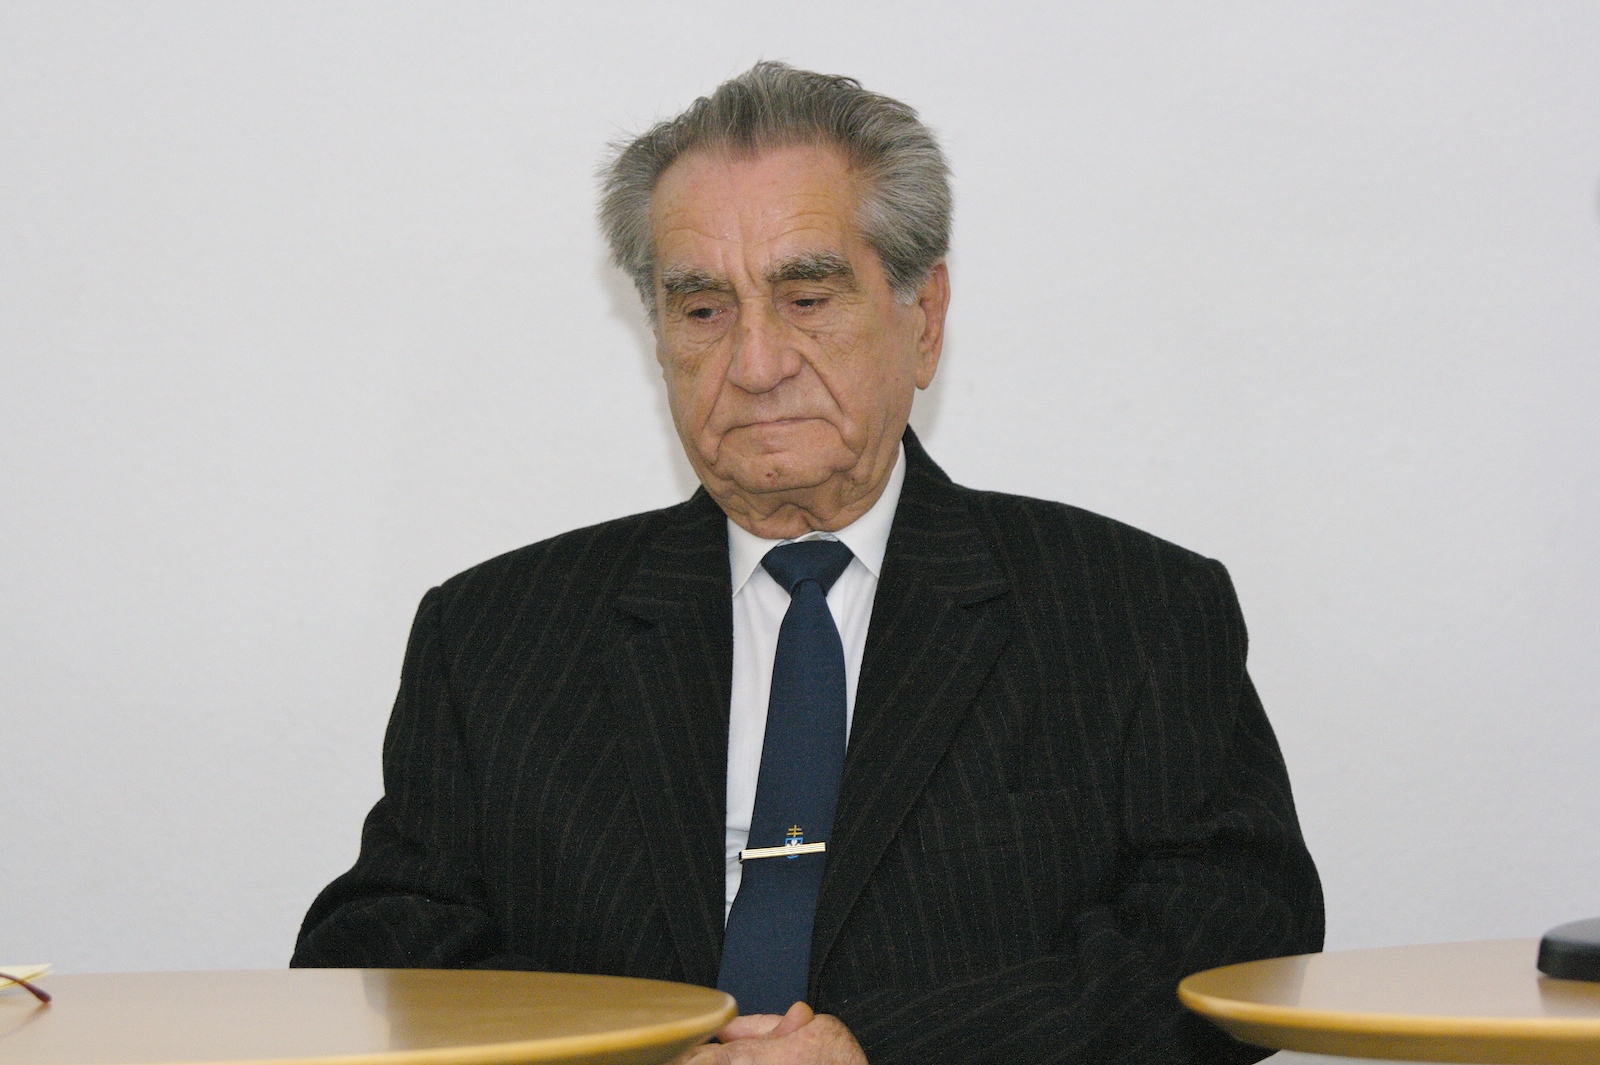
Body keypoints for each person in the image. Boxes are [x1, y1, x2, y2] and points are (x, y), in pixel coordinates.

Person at [292, 62, 1323, 1064]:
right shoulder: (494, 636)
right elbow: (373, 956)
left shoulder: (1133, 612)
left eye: (807, 298)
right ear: (659, 335)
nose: (755, 363)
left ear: (924, 319)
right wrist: (635, 1055)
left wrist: (880, 1053)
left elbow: (1236, 936)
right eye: (704, 310)